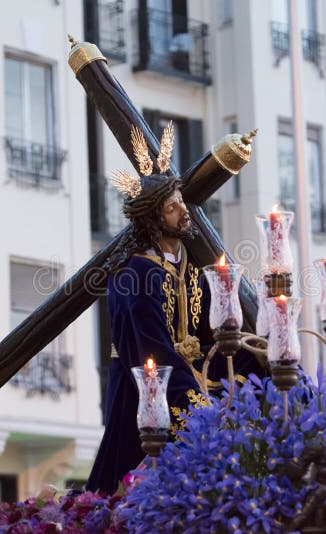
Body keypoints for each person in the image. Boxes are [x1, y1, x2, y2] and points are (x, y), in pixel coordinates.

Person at [86, 126, 265, 493]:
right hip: (149, 385)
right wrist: (199, 405)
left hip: (192, 372)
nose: (185, 211)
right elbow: (150, 351)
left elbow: (210, 336)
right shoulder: (132, 276)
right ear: (154, 221)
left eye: (182, 201)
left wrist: (253, 352)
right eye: (173, 208)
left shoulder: (189, 269)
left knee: (260, 370)